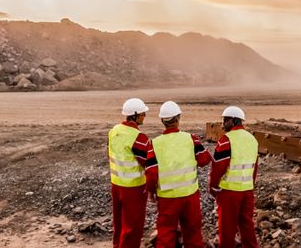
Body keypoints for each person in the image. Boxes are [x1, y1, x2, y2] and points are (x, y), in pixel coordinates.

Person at [145, 101, 212, 248]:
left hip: (167, 198)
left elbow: (150, 174)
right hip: (190, 196)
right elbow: (204, 160)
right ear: (178, 118)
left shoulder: (154, 144)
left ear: (162, 120)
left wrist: (151, 192)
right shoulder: (191, 139)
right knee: (193, 233)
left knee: (166, 233)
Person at [209, 106, 259, 248]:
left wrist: (213, 186)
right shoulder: (252, 139)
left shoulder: (226, 140)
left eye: (226, 120)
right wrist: (251, 184)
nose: (223, 123)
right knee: (247, 225)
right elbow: (254, 166)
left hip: (229, 192)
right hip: (247, 190)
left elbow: (218, 167)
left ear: (234, 120)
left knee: (227, 227)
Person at [108, 97, 151, 248]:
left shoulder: (114, 131)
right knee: (132, 227)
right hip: (134, 188)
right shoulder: (139, 137)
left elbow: (110, 153)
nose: (144, 116)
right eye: (142, 113)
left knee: (118, 223)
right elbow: (148, 162)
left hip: (116, 185)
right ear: (135, 115)